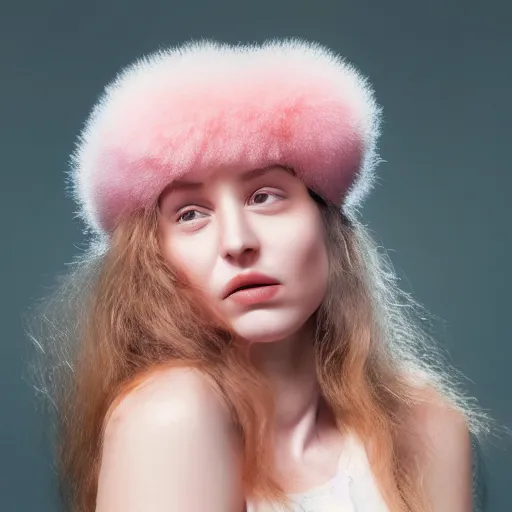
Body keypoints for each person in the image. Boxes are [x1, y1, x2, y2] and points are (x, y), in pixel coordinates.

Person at [27, 38, 498, 512]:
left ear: (327, 224)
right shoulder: (173, 414)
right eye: (190, 214)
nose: (237, 242)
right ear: (155, 261)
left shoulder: (425, 423)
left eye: (265, 196)